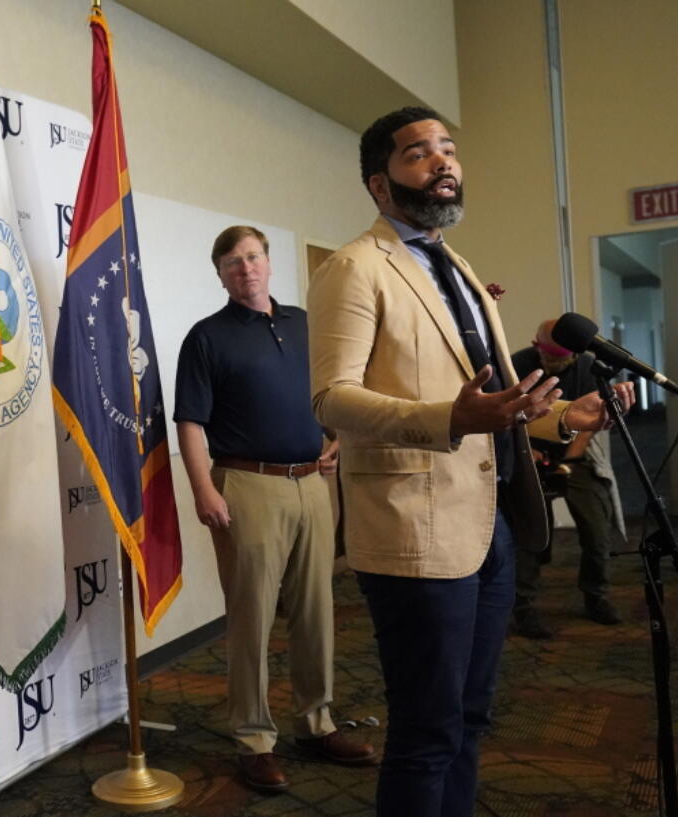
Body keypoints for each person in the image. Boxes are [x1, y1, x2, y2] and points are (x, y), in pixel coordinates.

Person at [306, 107, 633, 817]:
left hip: (492, 527)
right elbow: (333, 400)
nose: (442, 162)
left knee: (473, 718)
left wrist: (558, 418)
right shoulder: (355, 267)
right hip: (413, 535)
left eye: (447, 148)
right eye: (419, 153)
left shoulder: (454, 263)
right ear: (380, 184)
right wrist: (449, 418)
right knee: (426, 730)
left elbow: (493, 402)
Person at [174, 225, 378, 794]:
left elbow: (329, 392)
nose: (247, 268)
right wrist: (202, 490)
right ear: (220, 273)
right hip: (246, 485)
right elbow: (189, 422)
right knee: (252, 618)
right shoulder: (206, 338)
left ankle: (316, 724)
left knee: (316, 610)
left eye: (254, 257)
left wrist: (334, 434)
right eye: (233, 262)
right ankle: (254, 739)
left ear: (269, 262)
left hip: (314, 483)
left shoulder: (303, 325)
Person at [509, 320, 626, 638]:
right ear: (536, 346)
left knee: (596, 528)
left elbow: (589, 424)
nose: (550, 362)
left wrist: (569, 464)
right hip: (528, 451)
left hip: (576, 450)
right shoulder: (517, 364)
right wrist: (529, 451)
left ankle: (596, 595)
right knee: (530, 532)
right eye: (544, 354)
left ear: (573, 357)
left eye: (558, 358)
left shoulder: (590, 368)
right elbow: (511, 415)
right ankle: (523, 606)